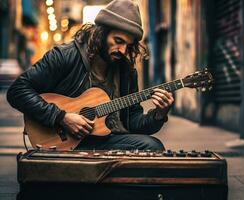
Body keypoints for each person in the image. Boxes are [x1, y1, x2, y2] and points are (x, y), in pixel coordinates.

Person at [6, 0, 173, 151]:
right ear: (101, 33)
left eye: (128, 46)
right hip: (67, 140)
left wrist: (159, 115)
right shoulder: (65, 56)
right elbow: (17, 91)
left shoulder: (127, 72)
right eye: (118, 41)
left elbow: (133, 122)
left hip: (107, 140)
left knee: (153, 146)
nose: (123, 51)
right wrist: (61, 117)